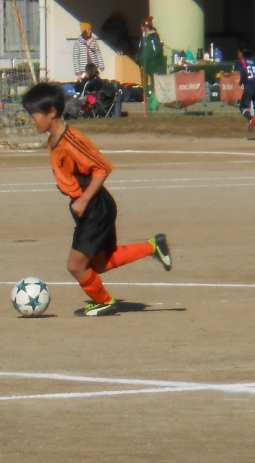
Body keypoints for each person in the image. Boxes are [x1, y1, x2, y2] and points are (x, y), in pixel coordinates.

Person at [21, 82, 172, 317]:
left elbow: (102, 169)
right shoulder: (54, 140)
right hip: (91, 207)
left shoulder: (71, 140)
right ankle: (152, 246)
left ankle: (104, 302)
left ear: (51, 112)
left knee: (76, 266)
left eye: (33, 115)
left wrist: (83, 199)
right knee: (99, 264)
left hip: (94, 208)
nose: (32, 121)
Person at [137, 16, 165, 115]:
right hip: (145, 64)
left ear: (145, 27)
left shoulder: (152, 37)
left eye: (142, 26)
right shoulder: (144, 38)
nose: (141, 28)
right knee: (145, 83)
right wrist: (139, 59)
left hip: (153, 65)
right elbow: (141, 49)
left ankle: (152, 102)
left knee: (153, 83)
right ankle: (146, 99)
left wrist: (148, 59)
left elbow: (155, 51)